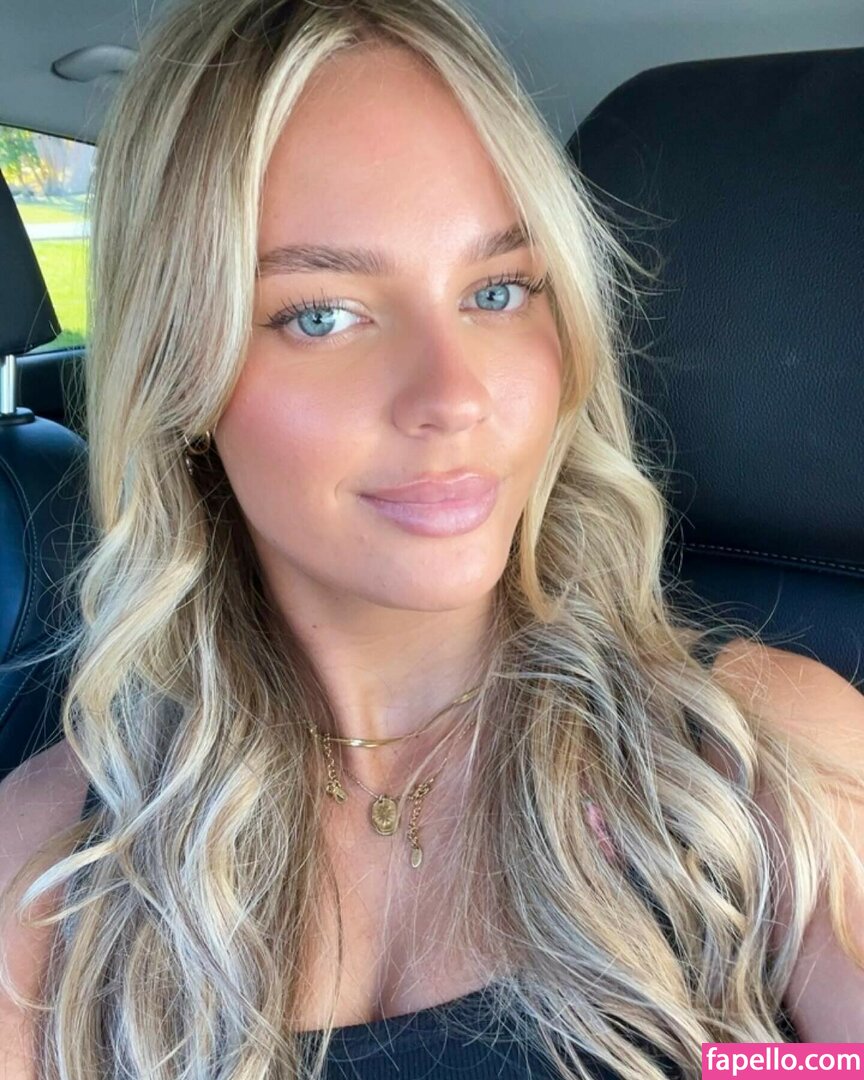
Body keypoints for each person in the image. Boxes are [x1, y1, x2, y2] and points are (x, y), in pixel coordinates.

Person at [1, 0, 863, 1077]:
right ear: (183, 374)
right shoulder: (47, 859)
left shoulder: (764, 758)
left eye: (498, 291)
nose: (453, 396)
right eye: (321, 314)